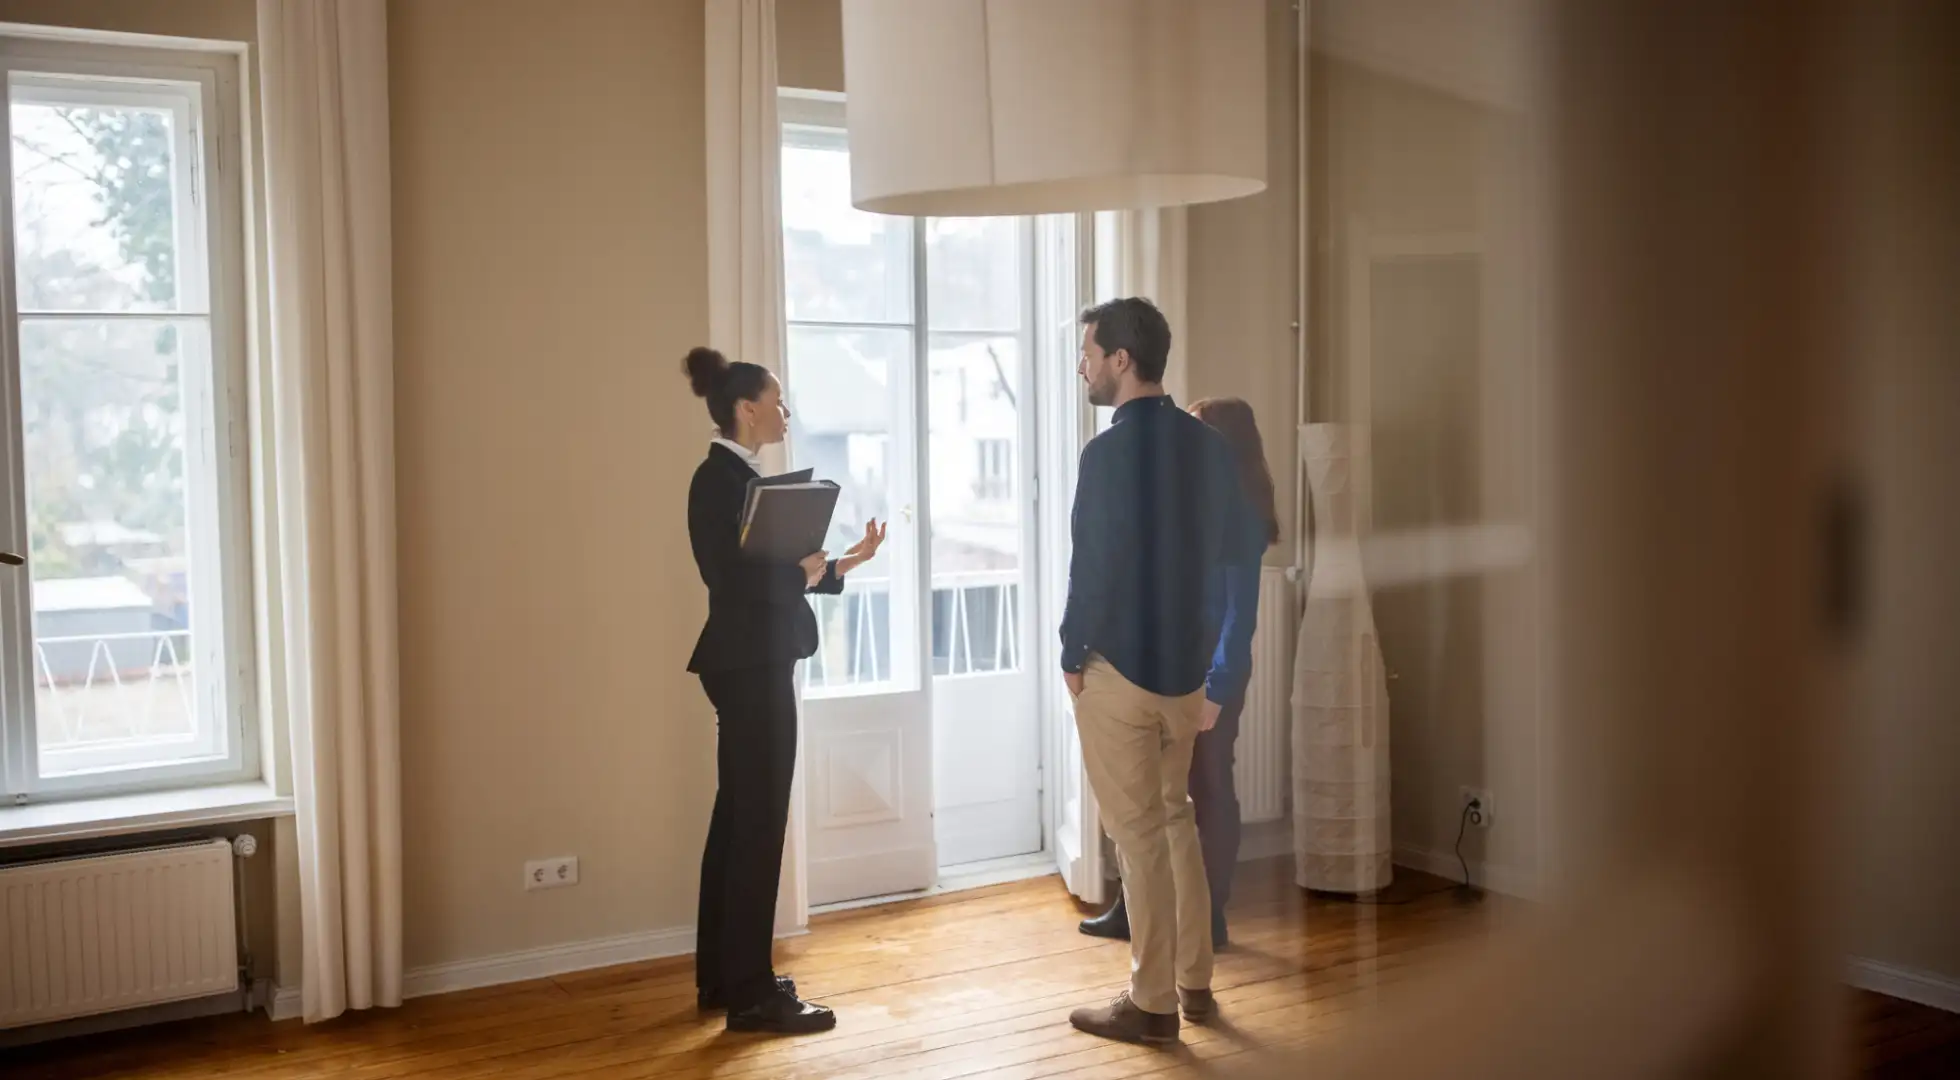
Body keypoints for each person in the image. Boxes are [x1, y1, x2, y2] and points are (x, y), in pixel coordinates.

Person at [1060, 299, 1265, 1045]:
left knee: (1139, 834)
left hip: (1118, 670)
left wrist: (1069, 655)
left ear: (1121, 360)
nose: (1081, 363)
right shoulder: (1208, 447)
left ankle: (1150, 1005)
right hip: (1183, 673)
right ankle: (1196, 982)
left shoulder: (1106, 455)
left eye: (1088, 351)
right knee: (1175, 819)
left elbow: (1093, 567)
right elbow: (1237, 553)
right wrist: (1210, 657)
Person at [682, 346, 885, 1035]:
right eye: (777, 400)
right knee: (757, 824)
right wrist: (800, 573)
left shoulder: (740, 480)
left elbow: (774, 571)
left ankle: (723, 977)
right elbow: (734, 583)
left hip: (752, 662)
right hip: (748, 666)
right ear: (746, 409)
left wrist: (841, 563)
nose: (787, 413)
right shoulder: (717, 482)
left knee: (738, 818)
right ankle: (751, 993)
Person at [1077, 398, 1280, 950]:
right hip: (1175, 664)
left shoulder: (1240, 514)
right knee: (1152, 795)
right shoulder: (1195, 509)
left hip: (1211, 676)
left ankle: (1209, 917)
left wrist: (1217, 689)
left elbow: (1241, 618)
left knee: (1207, 791)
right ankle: (1134, 908)